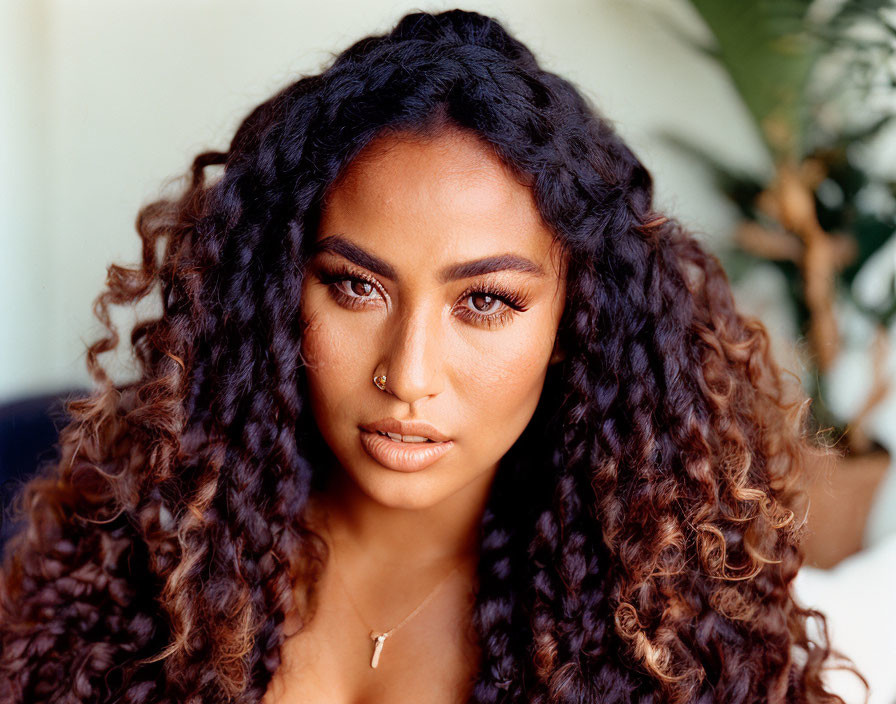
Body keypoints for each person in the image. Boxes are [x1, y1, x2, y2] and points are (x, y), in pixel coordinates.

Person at [0, 8, 867, 704]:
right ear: (273, 292)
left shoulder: (662, 634)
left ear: (578, 324)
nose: (407, 375)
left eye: (485, 302)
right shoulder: (133, 561)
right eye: (354, 287)